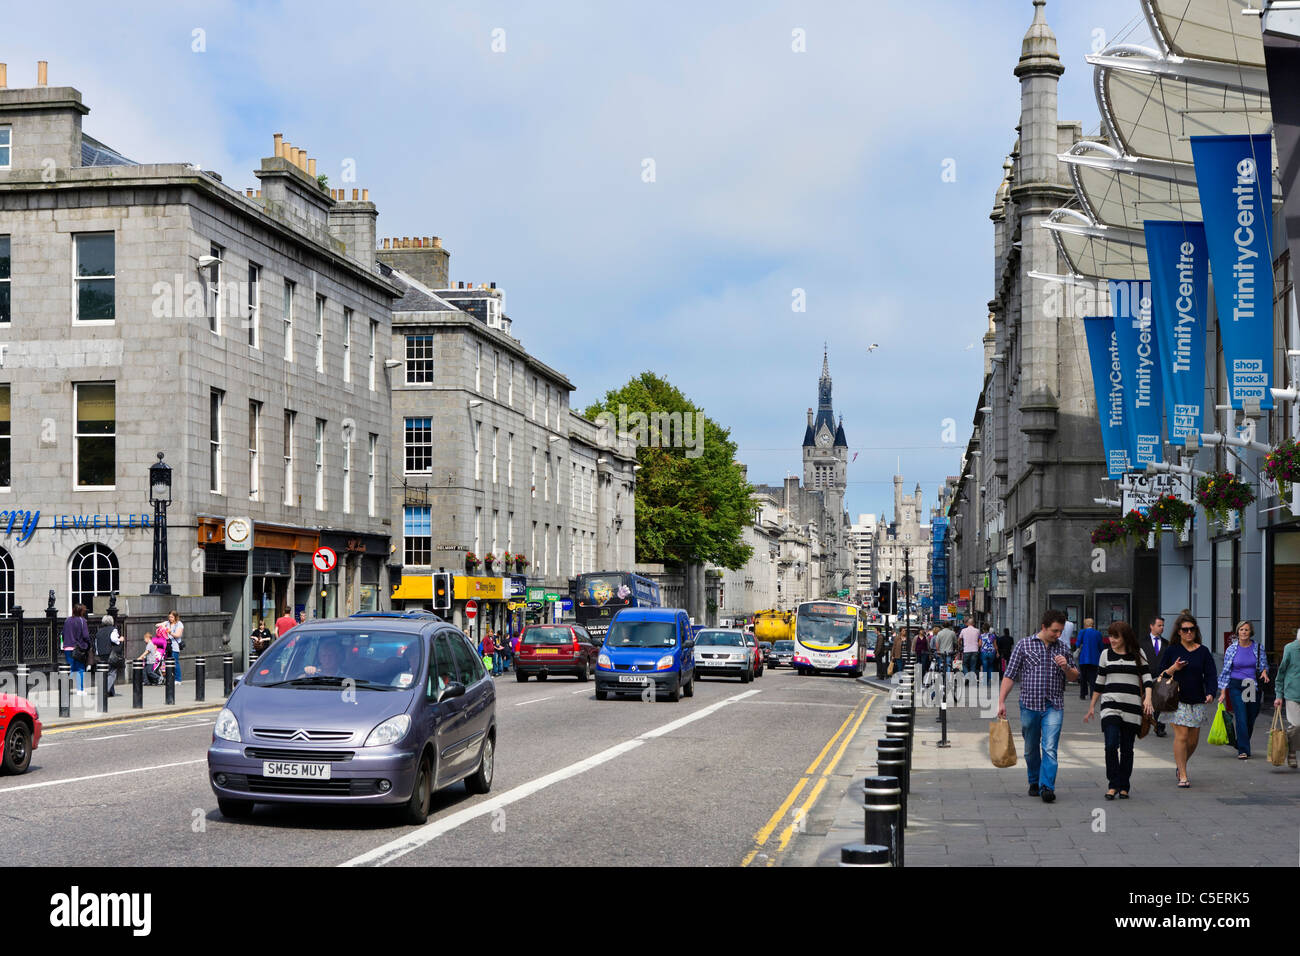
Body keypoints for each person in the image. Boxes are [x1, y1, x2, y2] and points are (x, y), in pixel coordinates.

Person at [997, 609, 1079, 803]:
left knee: (1050, 747)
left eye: (1060, 631)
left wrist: (1066, 667)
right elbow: (1009, 675)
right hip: (1029, 705)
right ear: (1044, 627)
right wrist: (1001, 701)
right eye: (1054, 631)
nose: (1058, 635)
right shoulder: (1024, 645)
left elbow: (1076, 676)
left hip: (1054, 705)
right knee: (1031, 748)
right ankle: (1034, 780)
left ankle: (1047, 787)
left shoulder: (1063, 649)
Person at [1083, 621, 1153, 799]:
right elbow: (1099, 681)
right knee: (1111, 744)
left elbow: (1147, 678)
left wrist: (1149, 699)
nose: (1111, 640)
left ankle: (1124, 785)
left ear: (1125, 638)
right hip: (1110, 705)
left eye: (1116, 637)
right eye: (1110, 636)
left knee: (1127, 748)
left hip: (1132, 707)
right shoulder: (1105, 654)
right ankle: (1113, 784)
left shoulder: (1138, 654)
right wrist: (1092, 706)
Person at [1157, 612, 1217, 788]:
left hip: (1197, 699)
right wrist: (1174, 668)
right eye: (1185, 630)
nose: (1189, 632)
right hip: (1176, 699)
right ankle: (1183, 775)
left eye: (1192, 629)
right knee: (1182, 736)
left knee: (1192, 741)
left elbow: (1211, 675)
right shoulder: (1172, 650)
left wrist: (1211, 692)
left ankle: (1180, 763)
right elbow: (1160, 674)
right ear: (1179, 632)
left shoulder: (1203, 651)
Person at [1217, 621, 1271, 760]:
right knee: (1241, 716)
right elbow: (1225, 671)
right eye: (1241, 629)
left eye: (1246, 630)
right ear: (1237, 632)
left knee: (1250, 717)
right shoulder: (1231, 649)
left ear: (1250, 632)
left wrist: (1264, 672)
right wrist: (1223, 692)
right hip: (1236, 685)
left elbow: (1264, 665)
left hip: (1252, 686)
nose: (1244, 632)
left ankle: (1240, 741)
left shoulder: (1258, 647)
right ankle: (1243, 750)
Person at [1138, 616, 1168, 737]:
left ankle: (1159, 726)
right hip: (1147, 676)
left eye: (1163, 626)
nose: (1162, 628)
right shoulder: (1142, 642)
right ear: (1151, 626)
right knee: (1148, 701)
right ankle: (1147, 722)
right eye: (1159, 625)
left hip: (1162, 676)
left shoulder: (1166, 643)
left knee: (1161, 702)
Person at [1274, 627, 1300, 769]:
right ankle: (1291, 751)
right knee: (1296, 725)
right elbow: (1281, 672)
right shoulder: (1290, 649)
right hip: (1293, 693)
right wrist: (1279, 695)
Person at [93, 614, 123, 697]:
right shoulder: (113, 630)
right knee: (112, 673)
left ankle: (111, 692)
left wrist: (97, 653)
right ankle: (104, 690)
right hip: (110, 653)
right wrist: (120, 640)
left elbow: (96, 643)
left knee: (106, 672)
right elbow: (114, 639)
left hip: (101, 654)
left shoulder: (99, 631)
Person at [62, 604, 90, 693]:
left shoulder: (67, 620)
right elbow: (86, 636)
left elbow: (63, 633)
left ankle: (65, 689)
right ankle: (80, 690)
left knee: (69, 669)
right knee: (80, 669)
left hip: (67, 647)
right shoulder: (82, 621)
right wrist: (88, 644)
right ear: (81, 612)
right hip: (78, 648)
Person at [1076, 618, 1105, 700]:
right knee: (1093, 677)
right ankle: (1092, 694)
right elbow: (1101, 646)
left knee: (1083, 677)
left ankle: (1083, 694)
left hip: (1083, 658)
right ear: (1093, 624)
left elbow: (1077, 644)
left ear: (1085, 624)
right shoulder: (1097, 633)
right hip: (1094, 658)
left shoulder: (1082, 632)